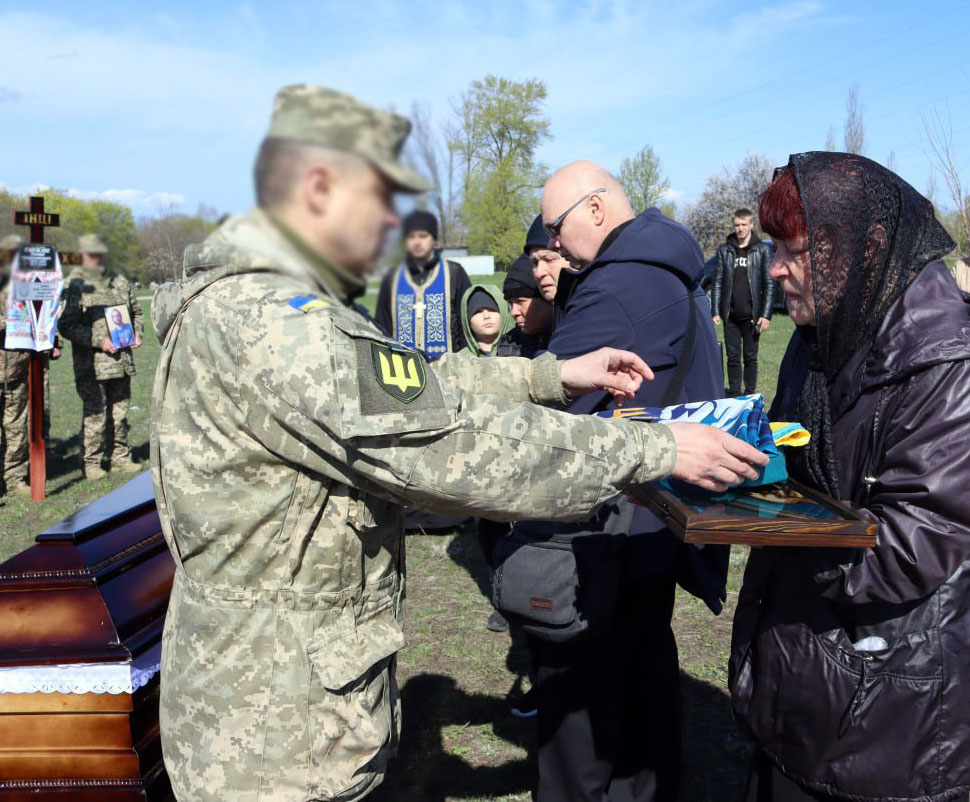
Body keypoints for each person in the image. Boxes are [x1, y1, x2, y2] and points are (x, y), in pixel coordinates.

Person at [148, 84, 766, 802]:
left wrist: (546, 378)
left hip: (275, 708)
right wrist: (654, 453)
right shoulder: (272, 324)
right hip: (273, 739)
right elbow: (449, 442)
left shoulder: (272, 308)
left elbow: (406, 381)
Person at [729, 152, 970, 802]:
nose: (774, 270)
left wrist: (760, 517)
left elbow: (913, 544)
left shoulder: (949, 372)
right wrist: (731, 463)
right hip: (809, 665)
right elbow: (791, 449)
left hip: (898, 707)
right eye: (773, 248)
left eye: (794, 252)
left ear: (867, 251)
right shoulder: (822, 338)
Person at [526, 160, 726, 802]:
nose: (552, 244)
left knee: (582, 705)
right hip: (654, 513)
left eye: (555, 228)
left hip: (605, 520)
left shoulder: (620, 285)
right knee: (642, 676)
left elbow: (548, 411)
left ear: (594, 208)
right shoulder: (671, 266)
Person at [58, 232, 143, 479]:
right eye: (91, 254)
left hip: (122, 361)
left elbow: (136, 313)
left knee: (120, 413)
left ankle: (119, 458)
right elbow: (66, 325)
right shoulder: (75, 283)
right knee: (96, 415)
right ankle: (92, 462)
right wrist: (98, 341)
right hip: (92, 365)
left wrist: (137, 333)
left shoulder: (119, 281)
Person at [374, 209, 471, 356]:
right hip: (403, 371)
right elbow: (381, 329)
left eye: (423, 236)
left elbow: (467, 326)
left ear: (433, 239)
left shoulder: (455, 274)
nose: (417, 242)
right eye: (411, 237)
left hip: (448, 370)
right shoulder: (392, 279)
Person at [710, 207, 776, 395]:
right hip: (730, 315)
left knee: (750, 357)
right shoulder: (725, 251)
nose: (740, 228)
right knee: (732, 357)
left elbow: (769, 284)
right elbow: (717, 283)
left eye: (744, 224)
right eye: (737, 225)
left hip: (752, 316)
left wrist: (766, 314)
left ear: (751, 225)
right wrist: (715, 310)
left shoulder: (762, 250)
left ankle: (750, 393)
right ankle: (734, 393)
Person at [1, 234, 31, 500]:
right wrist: (9, 321)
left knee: (16, 427)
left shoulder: (24, 285)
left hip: (17, 369)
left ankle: (15, 478)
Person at [498, 254, 553, 358]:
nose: (514, 312)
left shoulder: (572, 340)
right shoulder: (509, 345)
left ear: (547, 300)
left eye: (520, 302)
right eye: (511, 303)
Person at [459, 284, 507, 356]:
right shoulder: (456, 362)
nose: (486, 316)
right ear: (467, 320)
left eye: (492, 310)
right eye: (478, 312)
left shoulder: (520, 356)